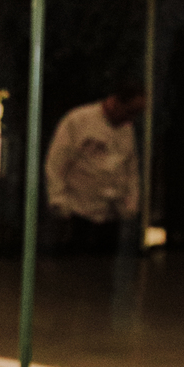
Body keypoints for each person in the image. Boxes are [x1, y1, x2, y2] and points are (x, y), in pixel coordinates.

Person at [44, 85, 145, 252]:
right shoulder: (78, 120)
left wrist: (131, 203)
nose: (131, 118)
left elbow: (130, 167)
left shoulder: (126, 127)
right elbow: (57, 162)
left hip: (112, 213)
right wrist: (58, 199)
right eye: (129, 111)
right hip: (78, 212)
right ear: (115, 102)